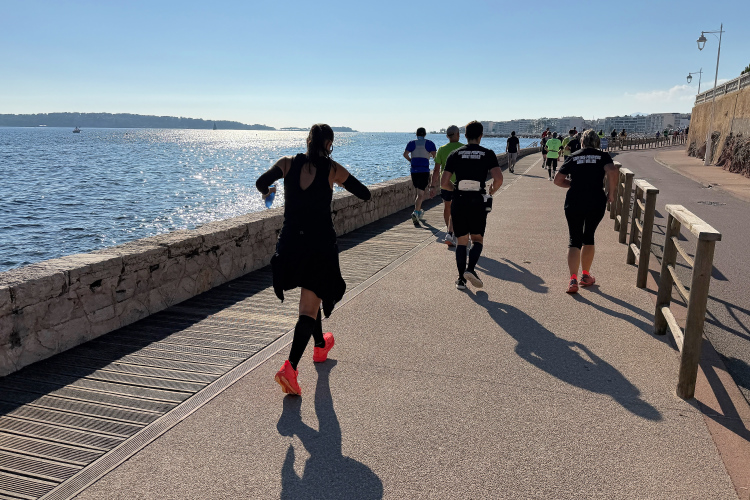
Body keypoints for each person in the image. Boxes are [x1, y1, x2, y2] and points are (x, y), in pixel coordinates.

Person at [256, 124, 372, 395]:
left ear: (308, 140)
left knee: (313, 292)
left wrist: (269, 192)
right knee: (308, 308)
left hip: (290, 244)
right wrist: (336, 182)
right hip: (319, 245)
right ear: (329, 144)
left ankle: (320, 345)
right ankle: (290, 368)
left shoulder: (286, 163)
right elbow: (364, 193)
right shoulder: (332, 169)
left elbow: (262, 183)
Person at [441, 121, 503, 290]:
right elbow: (498, 179)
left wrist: (455, 189)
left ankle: (461, 280)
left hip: (459, 200)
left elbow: (444, 182)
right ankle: (470, 269)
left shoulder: (455, 154)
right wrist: (492, 190)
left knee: (461, 241)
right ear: (481, 135)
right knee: (477, 239)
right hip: (477, 201)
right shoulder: (488, 153)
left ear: (465, 135)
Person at [553, 130, 617, 294]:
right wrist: (611, 193)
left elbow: (558, 180)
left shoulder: (573, 156)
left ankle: (573, 279)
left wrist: (573, 185)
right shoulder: (603, 156)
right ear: (597, 143)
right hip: (595, 200)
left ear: (582, 142)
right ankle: (586, 276)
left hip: (574, 200)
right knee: (588, 235)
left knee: (574, 238)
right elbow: (612, 170)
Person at [432, 125, 464, 246]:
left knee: (447, 207)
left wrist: (432, 186)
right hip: (460, 184)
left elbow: (436, 170)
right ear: (458, 134)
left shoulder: (441, 149)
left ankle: (449, 231)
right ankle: (454, 231)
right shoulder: (463, 148)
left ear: (447, 136)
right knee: (459, 208)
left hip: (445, 184)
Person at [403, 127, 437, 226]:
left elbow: (405, 154)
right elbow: (435, 156)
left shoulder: (411, 143)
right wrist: (428, 156)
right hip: (424, 171)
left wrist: (411, 160)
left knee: (419, 192)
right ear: (425, 134)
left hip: (414, 171)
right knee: (421, 194)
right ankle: (416, 213)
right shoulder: (429, 143)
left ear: (416, 134)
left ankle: (418, 211)